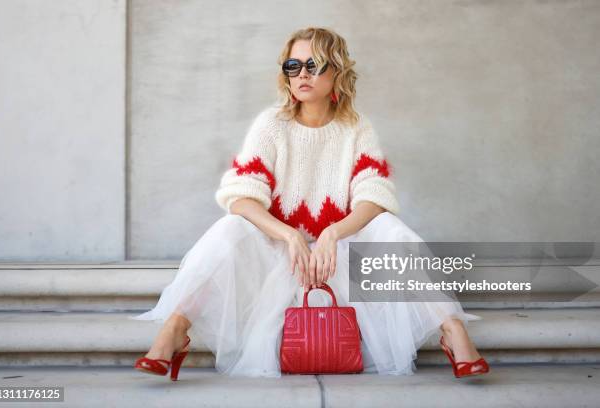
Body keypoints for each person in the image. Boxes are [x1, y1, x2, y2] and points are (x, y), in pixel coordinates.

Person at [130, 26, 489, 380]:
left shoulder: (356, 127)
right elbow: (241, 196)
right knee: (231, 227)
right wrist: (289, 236)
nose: (302, 74)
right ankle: (176, 329)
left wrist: (333, 232)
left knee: (391, 230)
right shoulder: (271, 124)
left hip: (341, 258)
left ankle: (451, 330)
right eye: (293, 66)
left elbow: (374, 196)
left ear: (337, 72)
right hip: (279, 257)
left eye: (314, 65)